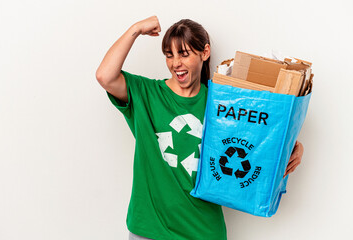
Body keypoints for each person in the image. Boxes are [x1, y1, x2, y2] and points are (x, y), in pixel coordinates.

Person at [96, 16, 304, 240]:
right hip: (149, 229)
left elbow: (255, 139)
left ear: (204, 53)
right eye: (169, 55)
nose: (176, 63)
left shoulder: (222, 104)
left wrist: (293, 146)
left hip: (203, 231)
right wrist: (135, 29)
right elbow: (105, 76)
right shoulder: (147, 94)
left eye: (184, 54)